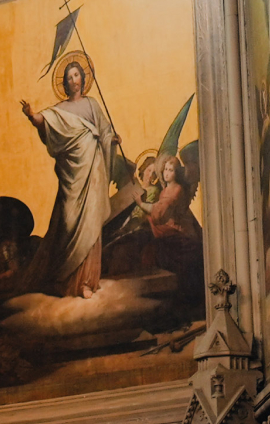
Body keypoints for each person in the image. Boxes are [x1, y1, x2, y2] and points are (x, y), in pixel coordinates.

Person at [19, 60, 121, 299]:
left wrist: (111, 139)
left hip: (93, 171)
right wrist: (31, 115)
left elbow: (105, 132)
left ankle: (86, 281)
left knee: (91, 221)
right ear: (64, 83)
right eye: (69, 77)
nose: (73, 80)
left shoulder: (92, 105)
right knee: (68, 221)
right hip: (71, 176)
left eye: (76, 75)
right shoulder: (60, 110)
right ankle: (65, 280)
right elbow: (44, 121)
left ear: (83, 79)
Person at [133, 157, 204, 305]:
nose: (166, 173)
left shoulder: (176, 190)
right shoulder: (167, 189)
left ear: (176, 173)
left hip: (179, 232)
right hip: (169, 228)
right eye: (165, 169)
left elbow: (160, 213)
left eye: (170, 170)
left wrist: (140, 203)